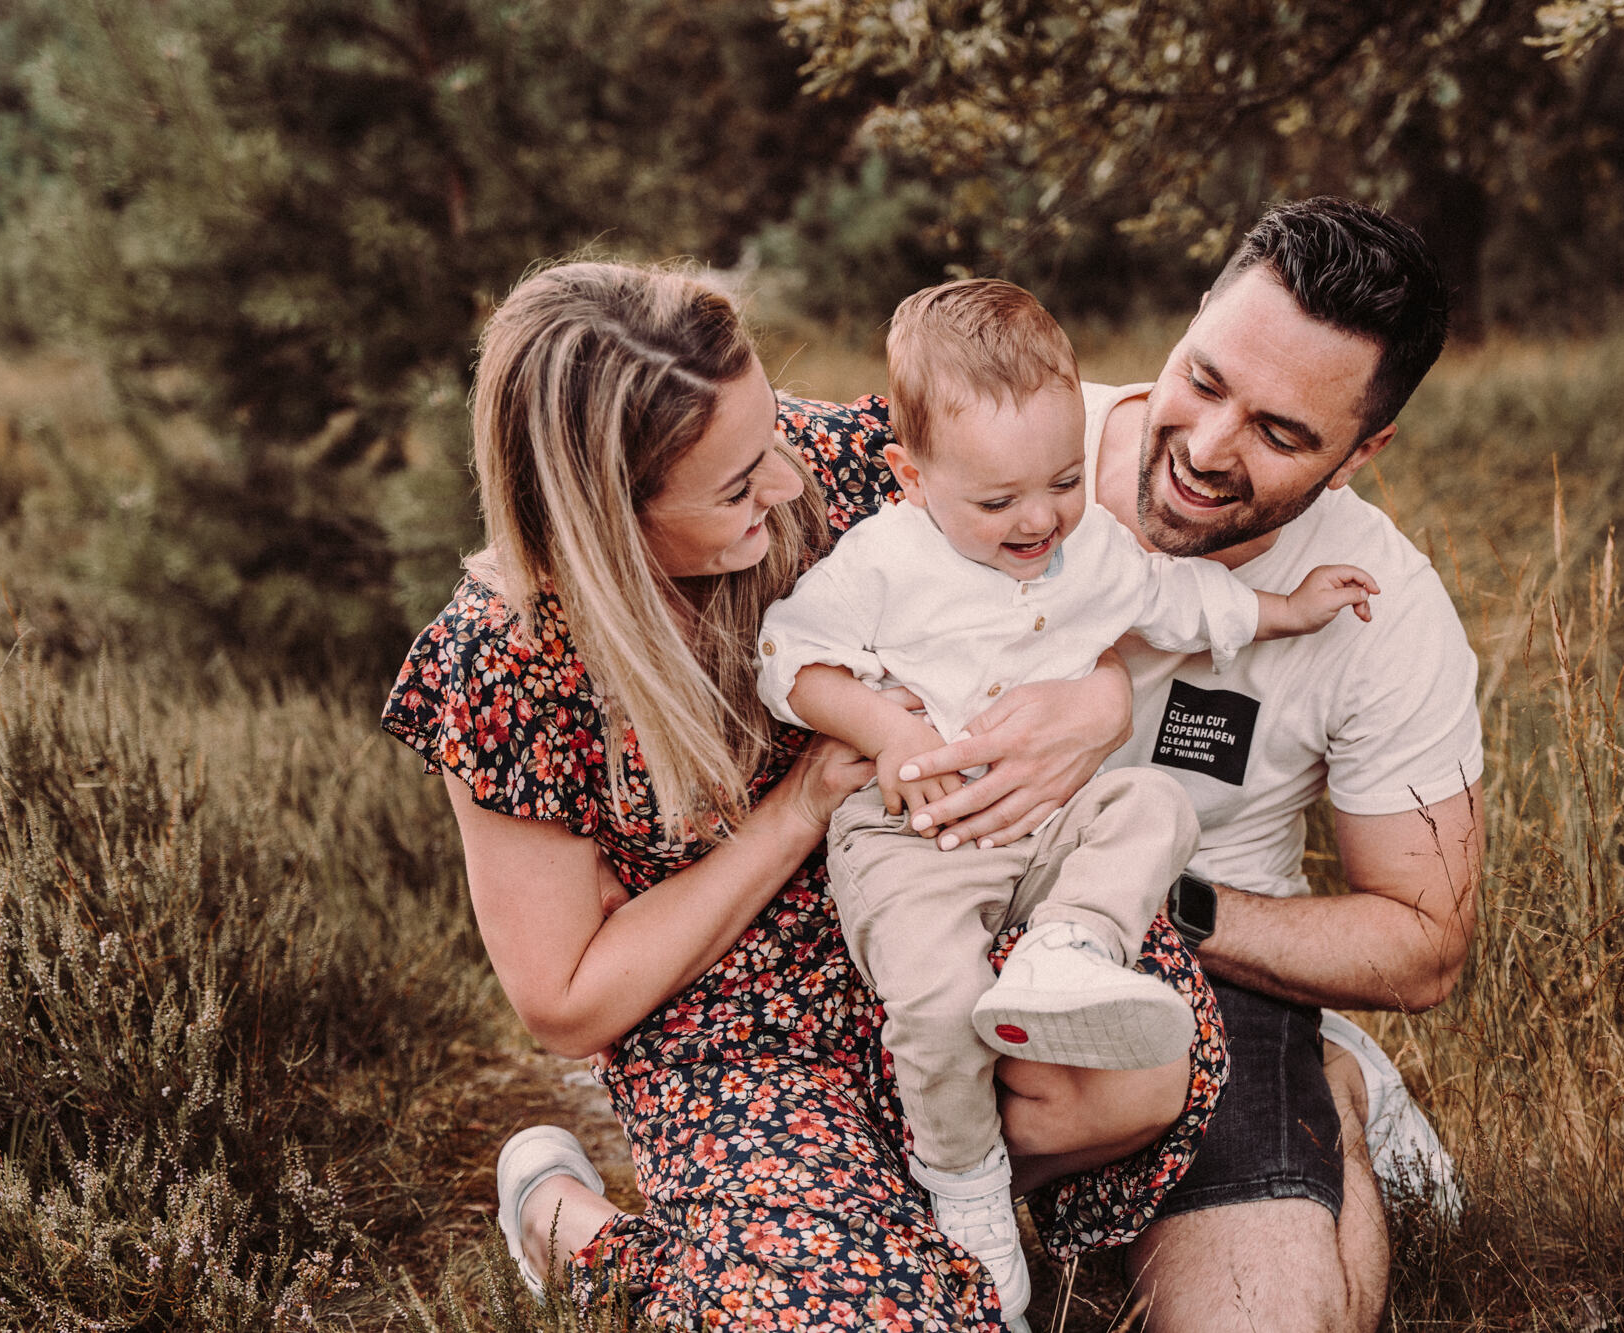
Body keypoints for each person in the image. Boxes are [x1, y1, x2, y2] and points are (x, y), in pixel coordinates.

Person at [379, 261, 1229, 1331]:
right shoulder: (508, 660)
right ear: (606, 521)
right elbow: (565, 998)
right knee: (862, 1317)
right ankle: (575, 1231)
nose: (784, 484)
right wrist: (798, 804)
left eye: (770, 432)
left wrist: (1099, 701)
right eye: (736, 487)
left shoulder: (839, 464)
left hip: (939, 884)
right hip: (732, 1022)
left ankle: (879, 1218)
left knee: (1142, 1065)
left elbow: (1056, 574)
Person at [854, 198, 1485, 1333]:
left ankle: (1320, 1077)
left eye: (1280, 434)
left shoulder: (1380, 610)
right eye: (1203, 380)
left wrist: (1151, 904)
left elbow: (1422, 941)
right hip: (925, 921)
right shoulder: (998, 434)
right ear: (1191, 316)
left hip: (1183, 986)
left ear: (1361, 453)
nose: (1203, 449)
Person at [753, 277, 1381, 1318]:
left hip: (1042, 833)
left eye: (1058, 480)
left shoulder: (1087, 545)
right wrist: (887, 729)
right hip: (914, 837)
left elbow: (1181, 599)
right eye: (997, 502)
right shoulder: (880, 562)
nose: (1038, 517)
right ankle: (965, 1188)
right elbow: (789, 659)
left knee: (1151, 808)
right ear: (910, 477)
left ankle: (1069, 948)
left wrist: (1287, 609)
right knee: (937, 997)